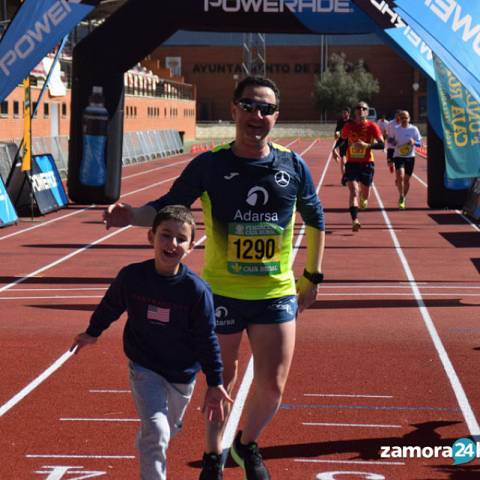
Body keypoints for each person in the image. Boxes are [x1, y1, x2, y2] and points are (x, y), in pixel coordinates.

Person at [103, 75, 326, 480]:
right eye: (249, 105)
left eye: (266, 109)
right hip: (220, 293)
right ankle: (212, 455)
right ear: (234, 109)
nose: (257, 115)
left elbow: (316, 218)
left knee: (273, 385)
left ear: (276, 116)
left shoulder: (292, 165)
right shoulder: (210, 164)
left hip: (275, 292)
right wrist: (131, 216)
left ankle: (246, 444)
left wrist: (311, 276)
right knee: (219, 384)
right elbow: (167, 206)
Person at [70, 205, 233, 480]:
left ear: (192, 246)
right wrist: (92, 332)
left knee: (165, 430)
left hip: (182, 374)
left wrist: (215, 382)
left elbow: (207, 339)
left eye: (181, 239)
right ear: (151, 237)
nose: (172, 244)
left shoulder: (196, 291)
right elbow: (111, 305)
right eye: (165, 235)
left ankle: (151, 433)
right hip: (144, 366)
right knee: (157, 433)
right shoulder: (132, 277)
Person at [333, 101, 384, 232]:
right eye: (358, 108)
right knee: (353, 190)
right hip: (352, 163)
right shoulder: (348, 126)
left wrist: (367, 146)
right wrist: (334, 149)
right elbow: (342, 139)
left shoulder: (372, 126)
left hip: (367, 163)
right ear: (355, 112)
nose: (361, 110)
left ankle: (363, 198)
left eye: (364, 108)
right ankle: (355, 220)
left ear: (367, 112)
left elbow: (382, 144)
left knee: (365, 193)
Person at [389, 110, 422, 209]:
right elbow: (389, 139)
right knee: (400, 176)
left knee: (406, 180)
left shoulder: (414, 129)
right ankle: (402, 196)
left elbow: (420, 143)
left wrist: (414, 142)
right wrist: (393, 142)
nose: (404, 120)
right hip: (398, 156)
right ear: (399, 119)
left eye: (405, 118)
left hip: (410, 157)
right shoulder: (396, 129)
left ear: (409, 119)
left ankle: (402, 196)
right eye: (402, 118)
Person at [333, 107, 353, 186]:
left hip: (351, 142)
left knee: (350, 160)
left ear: (348, 113)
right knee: (343, 158)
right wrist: (336, 133)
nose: (343, 114)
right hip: (342, 141)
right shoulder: (340, 121)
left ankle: (350, 175)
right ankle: (344, 176)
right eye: (343, 113)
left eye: (345, 113)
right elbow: (336, 132)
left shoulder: (352, 122)